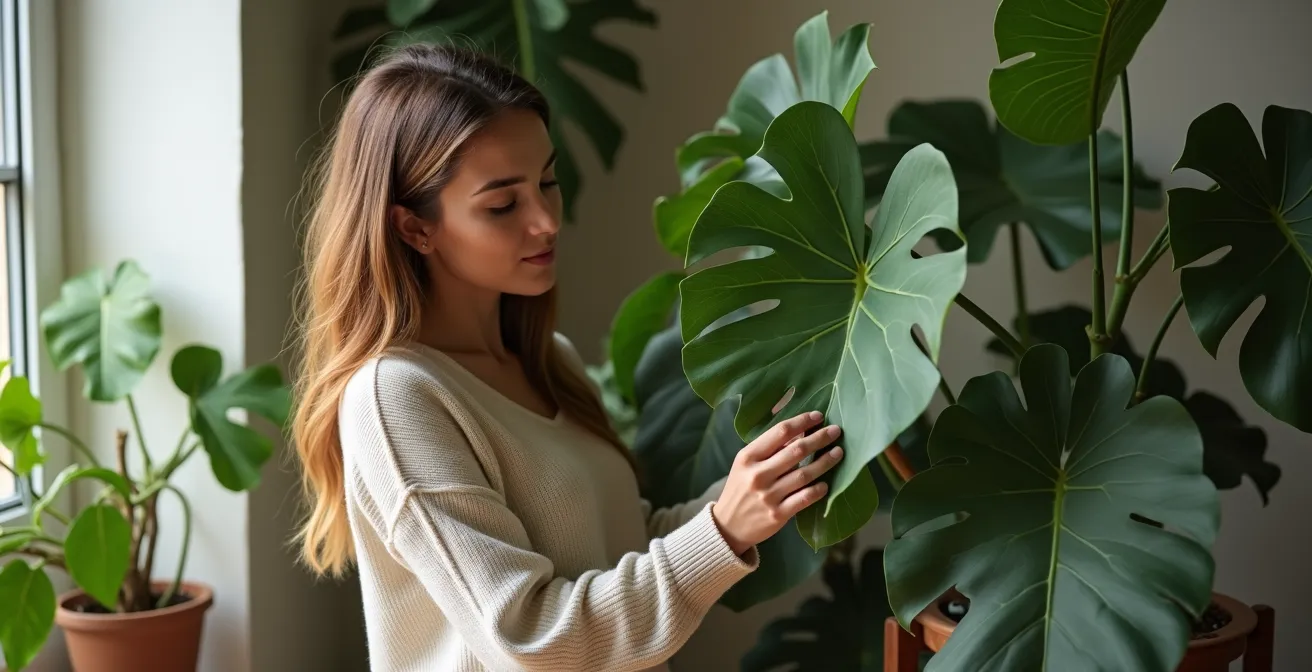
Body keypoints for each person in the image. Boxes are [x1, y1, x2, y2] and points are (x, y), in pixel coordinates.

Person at [290, 43, 845, 672]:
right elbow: (529, 637)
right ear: (414, 228)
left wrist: (769, 480)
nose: (547, 221)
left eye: (547, 183)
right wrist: (720, 531)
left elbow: (620, 543)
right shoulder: (396, 396)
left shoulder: (548, 361)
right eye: (503, 205)